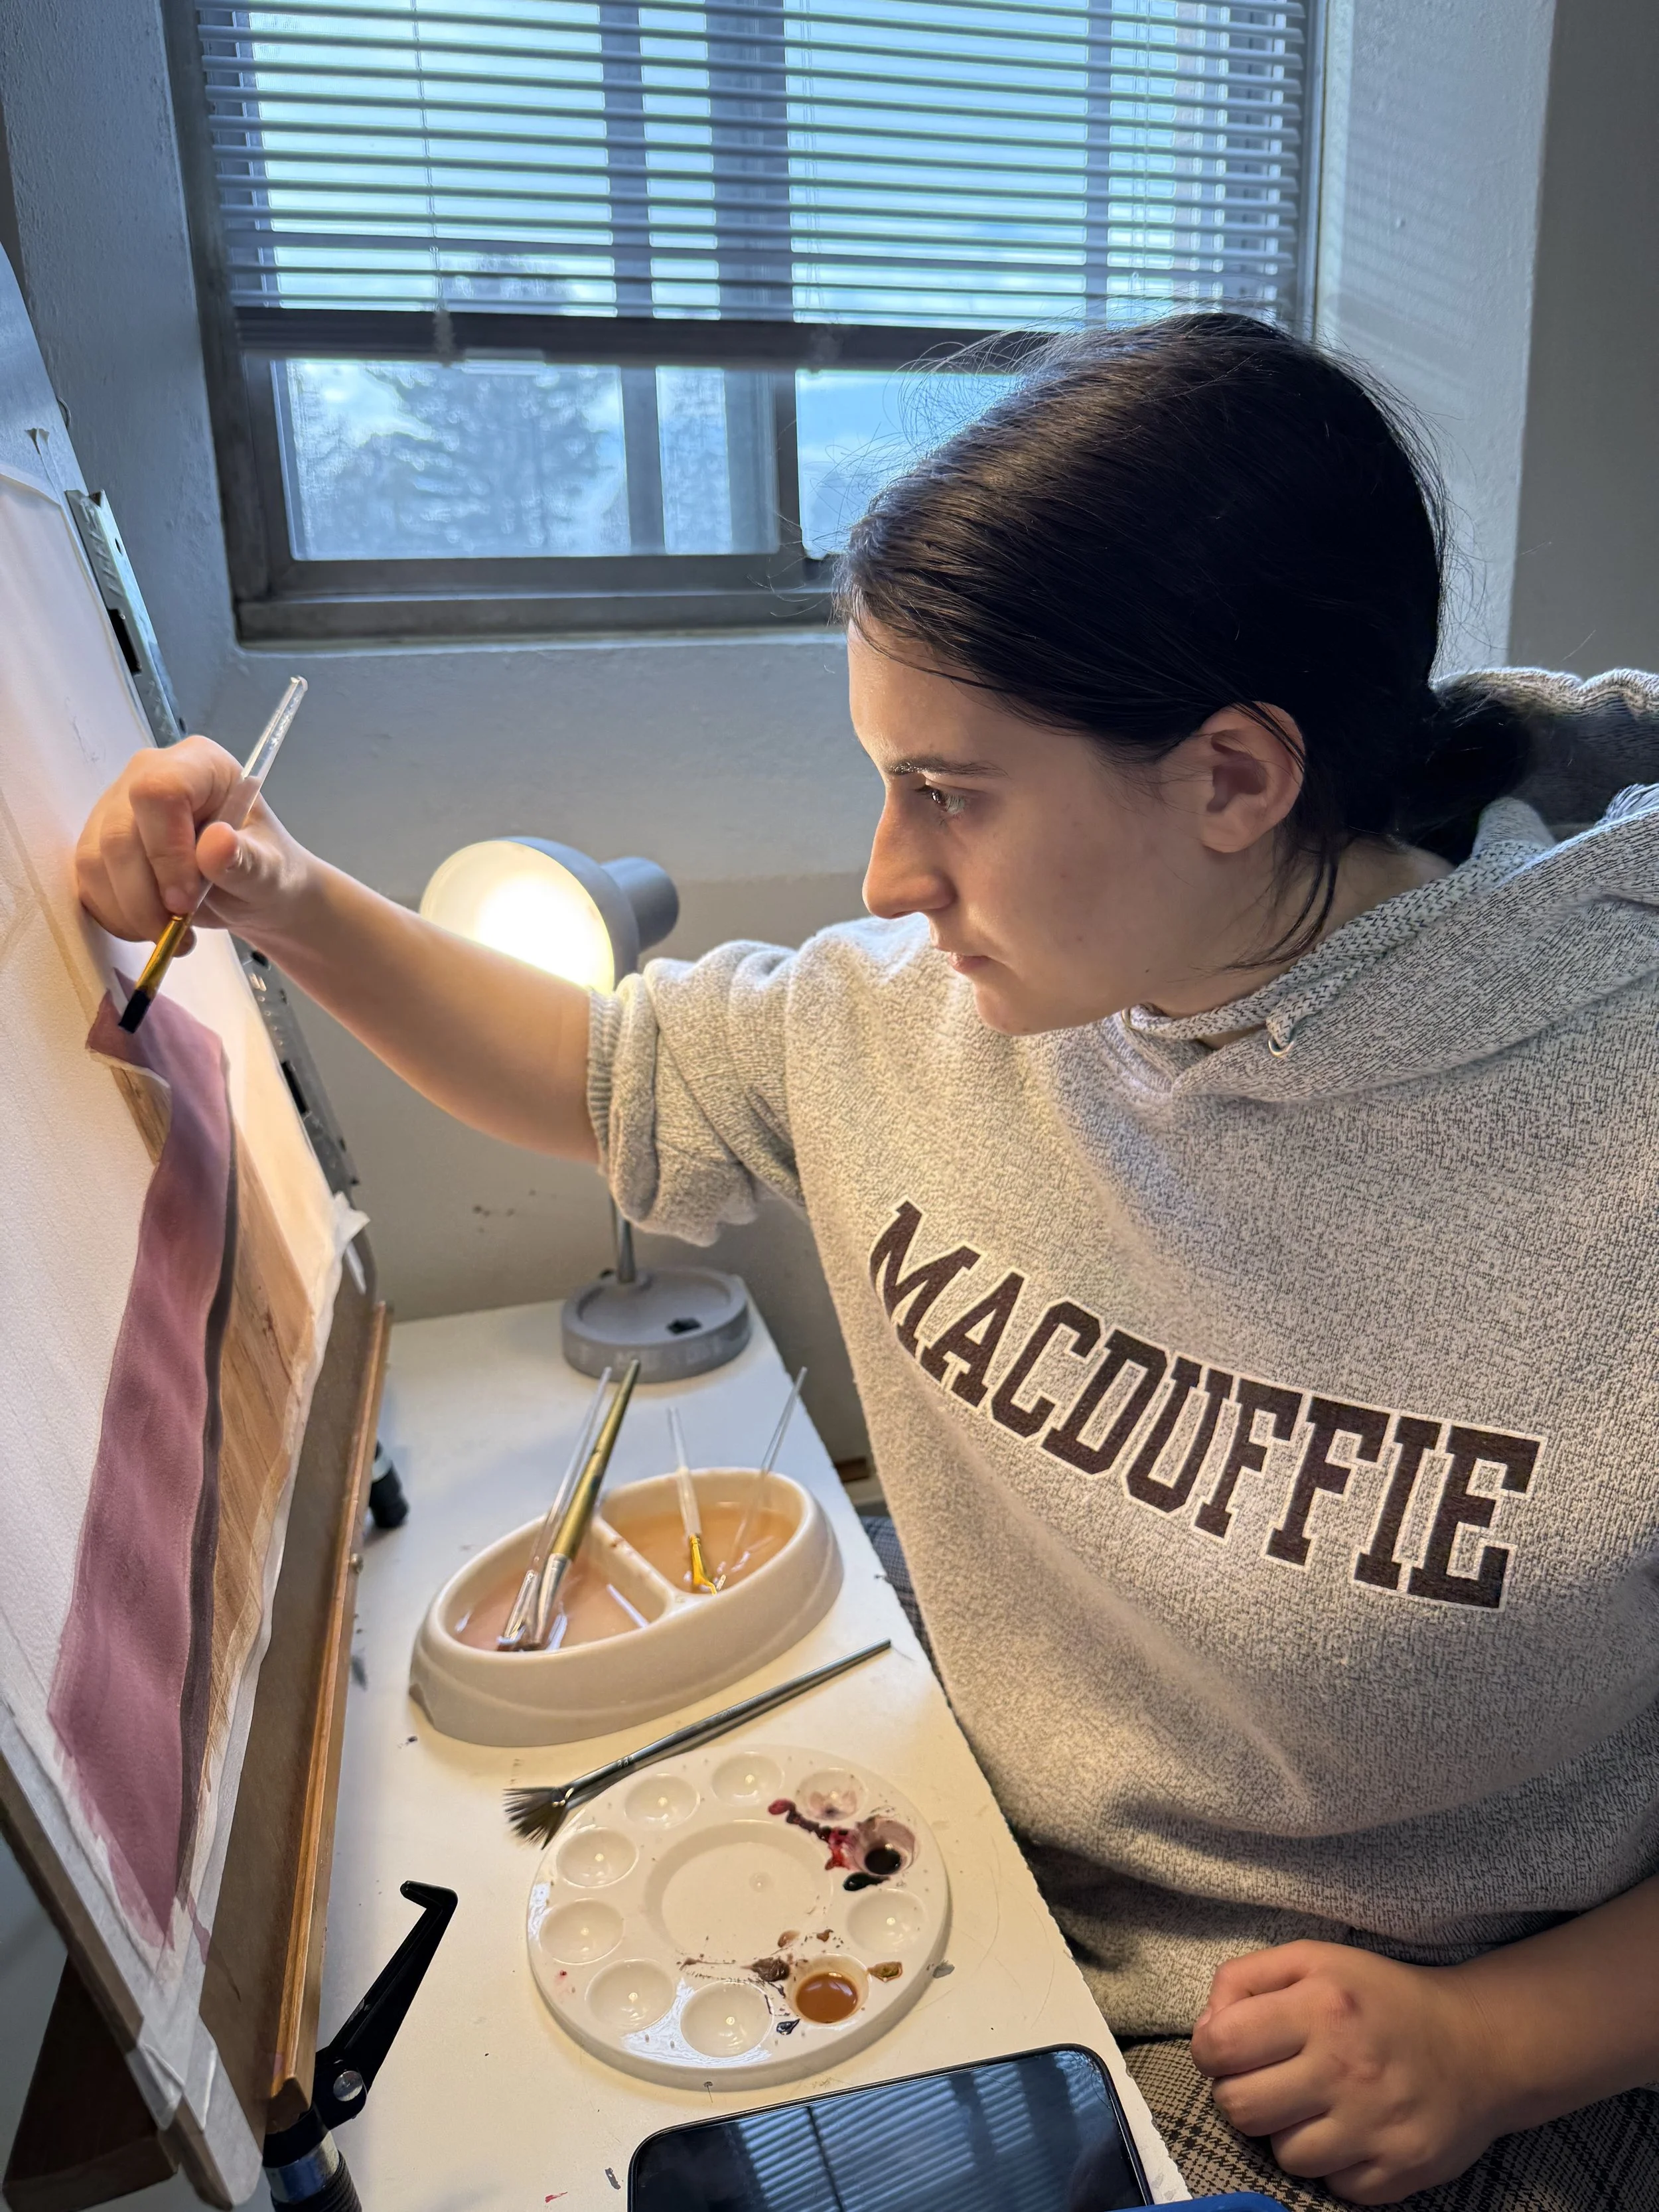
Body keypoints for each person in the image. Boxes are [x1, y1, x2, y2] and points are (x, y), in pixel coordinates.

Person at [76, 315, 1659, 2209]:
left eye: (951, 793)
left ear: (1232, 776)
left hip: (1421, 2059)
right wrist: (270, 893)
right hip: (980, 1911)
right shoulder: (935, 1018)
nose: (885, 878)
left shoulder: (1614, 1124)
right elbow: (595, 1068)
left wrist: (1503, 2041)